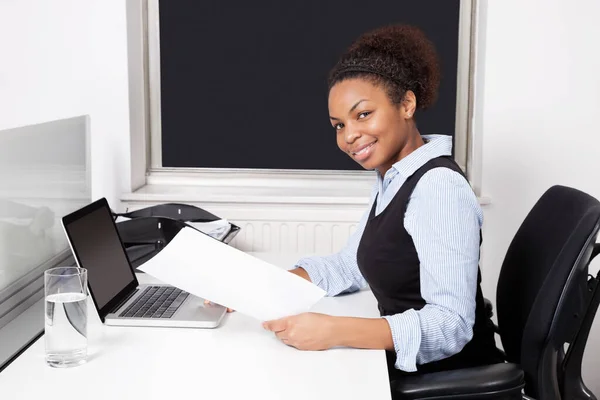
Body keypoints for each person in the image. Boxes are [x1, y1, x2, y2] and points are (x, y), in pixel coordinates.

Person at [261, 24, 503, 380]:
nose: (349, 136)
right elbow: (351, 265)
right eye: (338, 125)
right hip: (407, 367)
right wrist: (261, 289)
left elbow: (451, 324)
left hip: (444, 377)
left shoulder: (438, 188)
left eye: (362, 114)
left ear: (406, 104)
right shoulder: (394, 176)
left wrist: (335, 330)